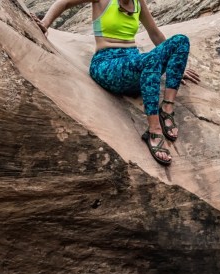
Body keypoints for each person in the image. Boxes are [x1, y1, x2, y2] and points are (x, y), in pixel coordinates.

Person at [33, 0, 200, 166]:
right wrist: (45, 23)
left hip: (133, 62)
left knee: (181, 41)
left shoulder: (137, 3)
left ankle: (166, 109)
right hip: (107, 64)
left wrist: (175, 66)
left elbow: (155, 33)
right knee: (151, 61)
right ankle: (154, 130)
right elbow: (63, 3)